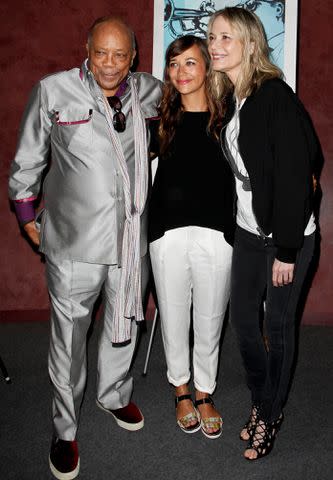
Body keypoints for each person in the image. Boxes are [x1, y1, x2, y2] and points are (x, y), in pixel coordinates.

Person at [8, 16, 162, 480]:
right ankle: (64, 428)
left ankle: (113, 393)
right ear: (87, 49)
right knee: (69, 340)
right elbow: (27, 161)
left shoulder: (152, 92)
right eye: (101, 53)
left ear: (133, 57)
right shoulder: (53, 91)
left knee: (123, 321)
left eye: (120, 55)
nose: (110, 65)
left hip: (130, 238)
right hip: (75, 242)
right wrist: (27, 218)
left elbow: (167, 138)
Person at [207, 7, 318, 459]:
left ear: (251, 44)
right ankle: (261, 401)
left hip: (286, 237)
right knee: (244, 325)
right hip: (250, 231)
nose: (215, 45)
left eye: (226, 38)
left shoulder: (274, 96)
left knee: (278, 325)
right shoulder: (234, 97)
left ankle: (268, 417)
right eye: (212, 36)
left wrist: (287, 249)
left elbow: (298, 173)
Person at [149, 35, 235, 439]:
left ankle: (205, 392)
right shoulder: (160, 119)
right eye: (173, 64)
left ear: (207, 68)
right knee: (173, 314)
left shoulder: (229, 118)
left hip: (217, 231)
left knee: (210, 316)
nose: (180, 72)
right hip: (166, 231)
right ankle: (180, 388)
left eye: (189, 63)